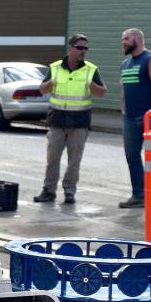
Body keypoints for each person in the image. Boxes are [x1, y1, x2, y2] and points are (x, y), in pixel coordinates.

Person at [33, 35, 107, 205]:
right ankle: (49, 190)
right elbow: (42, 90)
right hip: (57, 121)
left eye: (86, 48)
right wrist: (51, 82)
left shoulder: (91, 69)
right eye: (80, 47)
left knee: (74, 161)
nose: (83, 51)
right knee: (52, 159)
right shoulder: (55, 68)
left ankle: (69, 191)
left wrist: (91, 85)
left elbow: (102, 92)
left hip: (79, 122)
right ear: (70, 48)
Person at [118, 28, 151, 208]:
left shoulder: (148, 59)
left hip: (148, 119)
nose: (123, 42)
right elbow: (123, 87)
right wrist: (123, 108)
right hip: (130, 119)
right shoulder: (124, 64)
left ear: (137, 39)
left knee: (150, 159)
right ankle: (139, 195)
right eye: (122, 39)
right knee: (132, 157)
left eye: (126, 39)